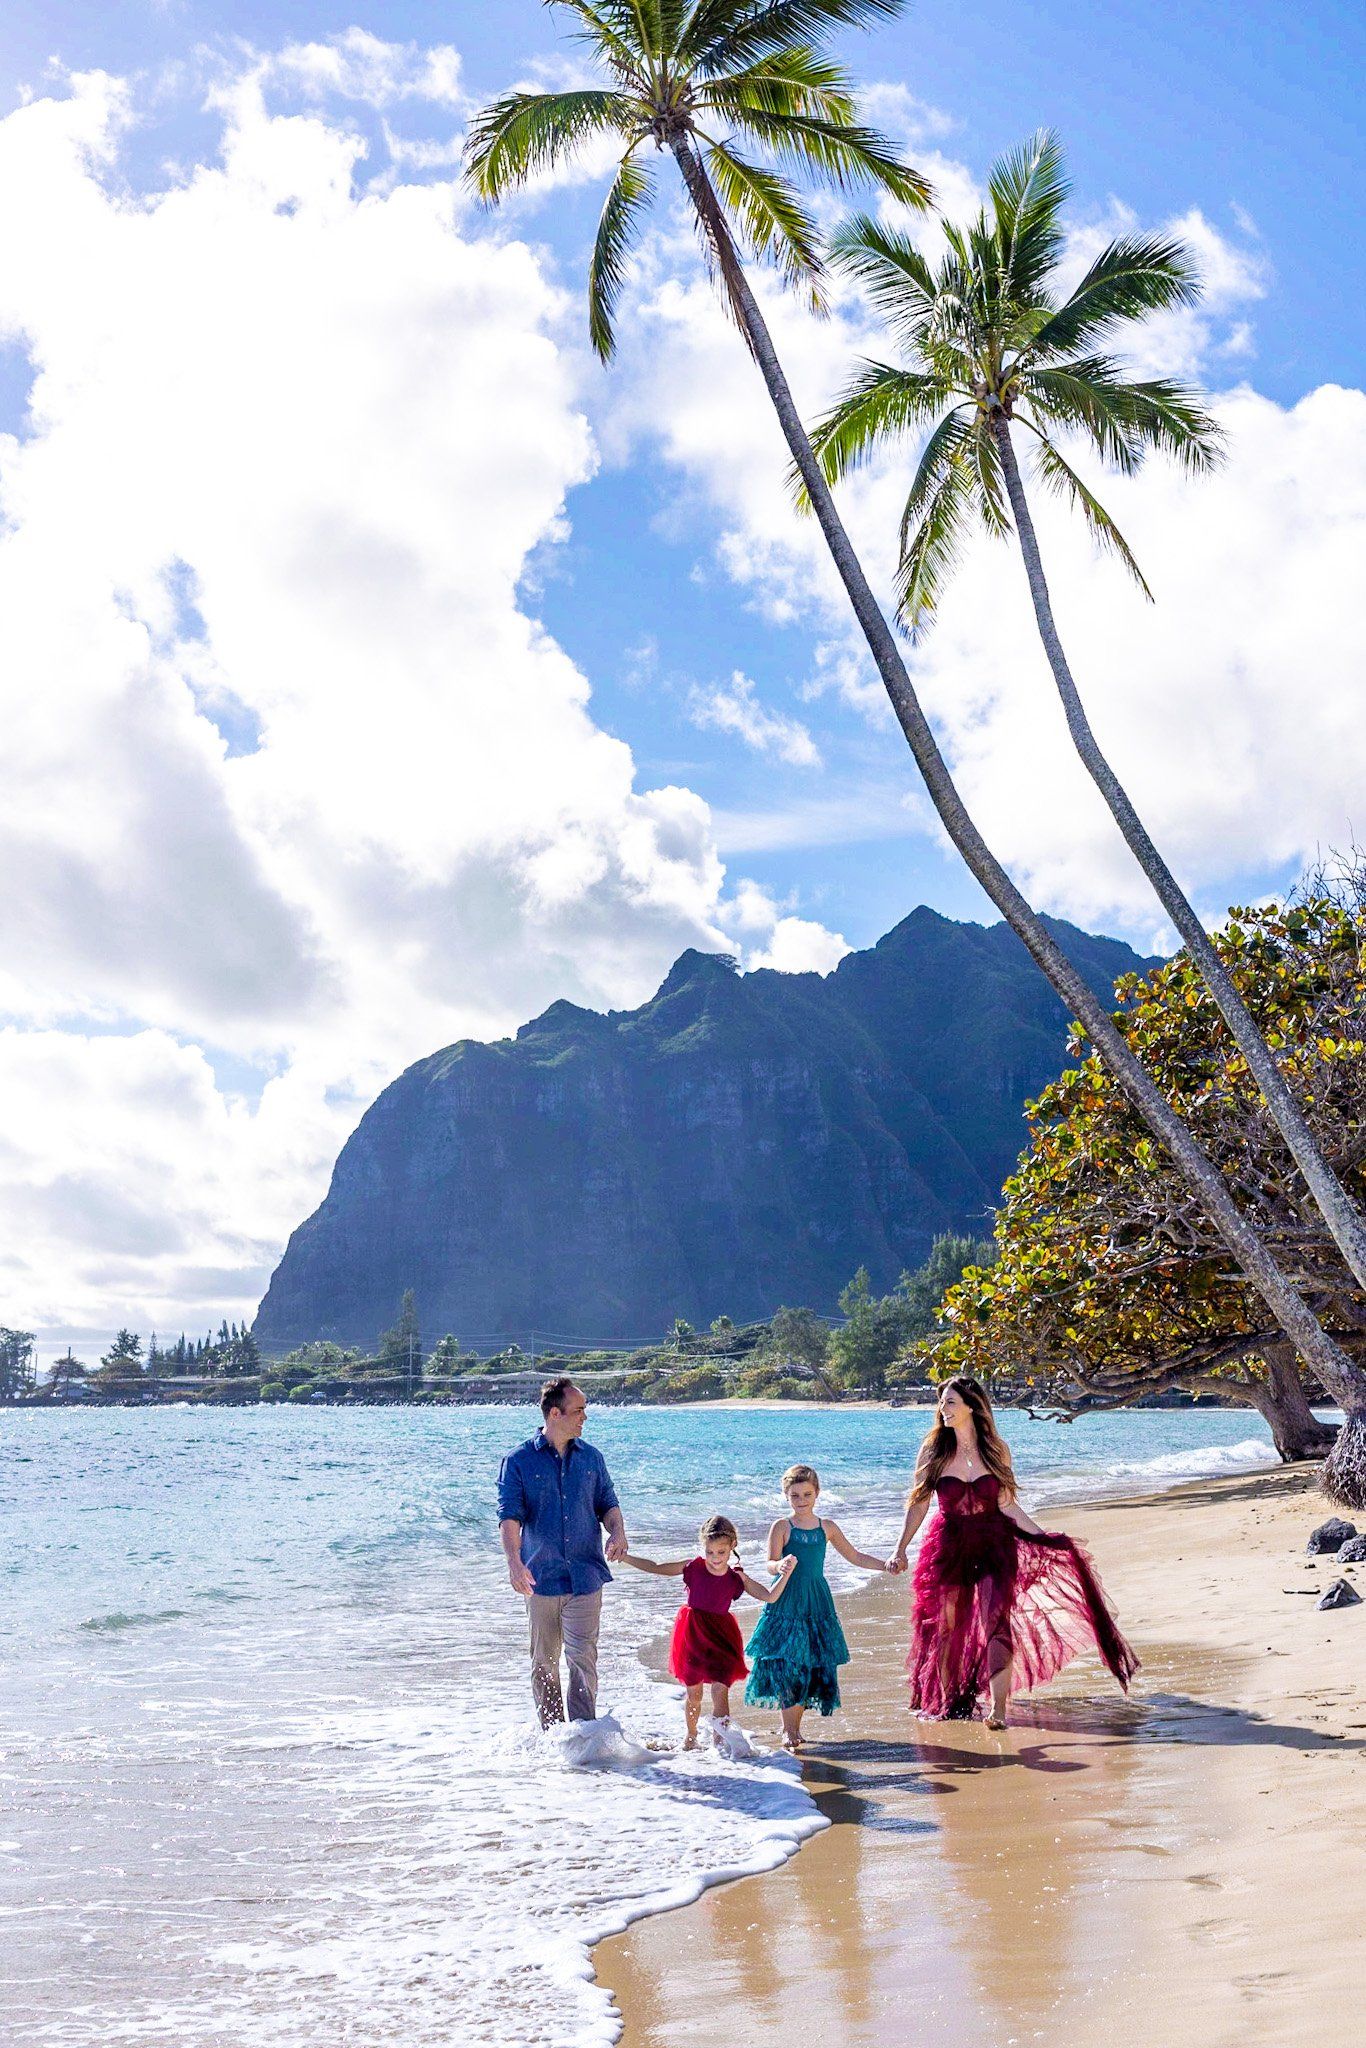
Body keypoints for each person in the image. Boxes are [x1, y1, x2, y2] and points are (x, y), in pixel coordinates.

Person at [890, 1377, 1139, 1729]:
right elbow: (918, 1504)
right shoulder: (934, 1451)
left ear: (971, 1406)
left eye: (950, 1403)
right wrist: (900, 1548)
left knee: (996, 1623)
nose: (943, 1410)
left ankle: (999, 1710)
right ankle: (949, 1701)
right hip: (949, 1546)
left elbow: (1007, 1504)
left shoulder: (996, 1449)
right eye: (942, 1403)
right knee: (946, 1628)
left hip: (995, 1543)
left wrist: (1044, 1538)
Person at [498, 1376, 628, 1727]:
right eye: (579, 1410)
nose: (585, 1417)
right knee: (544, 1661)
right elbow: (509, 1517)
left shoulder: (592, 1459)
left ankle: (583, 1734)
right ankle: (553, 1737)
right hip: (540, 1577)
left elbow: (608, 1505)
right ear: (555, 1413)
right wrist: (514, 1563)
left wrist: (618, 1532)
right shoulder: (518, 1461)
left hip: (586, 1575)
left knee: (583, 1658)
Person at [745, 1463, 893, 1751]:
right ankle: (789, 1729)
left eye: (806, 1494)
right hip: (787, 1599)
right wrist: (781, 1565)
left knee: (810, 1665)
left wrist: (885, 1565)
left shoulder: (827, 1527)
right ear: (786, 1497)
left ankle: (795, 1727)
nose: (801, 1501)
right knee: (788, 1664)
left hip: (817, 1601)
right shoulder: (782, 1526)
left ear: (817, 1494)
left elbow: (856, 1557)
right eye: (795, 1496)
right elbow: (769, 1563)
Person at [624, 1515, 796, 1750]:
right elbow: (656, 1568)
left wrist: (785, 1573)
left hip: (722, 1638)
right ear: (703, 1547)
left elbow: (769, 1596)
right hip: (693, 1636)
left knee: (719, 1690)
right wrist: (625, 1557)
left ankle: (721, 1743)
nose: (715, 1558)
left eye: (721, 1552)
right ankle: (691, 1736)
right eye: (710, 1552)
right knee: (694, 1694)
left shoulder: (736, 1579)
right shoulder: (693, 1567)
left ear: (732, 1547)